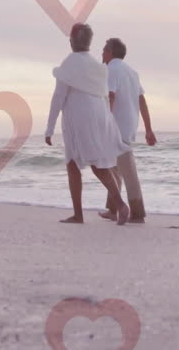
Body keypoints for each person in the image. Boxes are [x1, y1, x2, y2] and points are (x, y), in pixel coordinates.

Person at [45, 23, 132, 225]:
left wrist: (49, 128)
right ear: (89, 42)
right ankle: (119, 204)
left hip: (79, 119)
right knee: (98, 163)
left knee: (72, 164)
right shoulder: (97, 66)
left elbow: (58, 98)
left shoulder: (69, 64)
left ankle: (80, 215)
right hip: (101, 116)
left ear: (71, 41)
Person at [97, 37, 155, 224]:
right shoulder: (132, 72)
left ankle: (137, 213)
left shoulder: (111, 70)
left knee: (127, 170)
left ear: (110, 52)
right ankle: (113, 209)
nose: (102, 53)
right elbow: (141, 100)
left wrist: (105, 123)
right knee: (114, 167)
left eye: (104, 50)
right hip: (129, 124)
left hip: (116, 126)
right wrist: (148, 129)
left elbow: (110, 96)